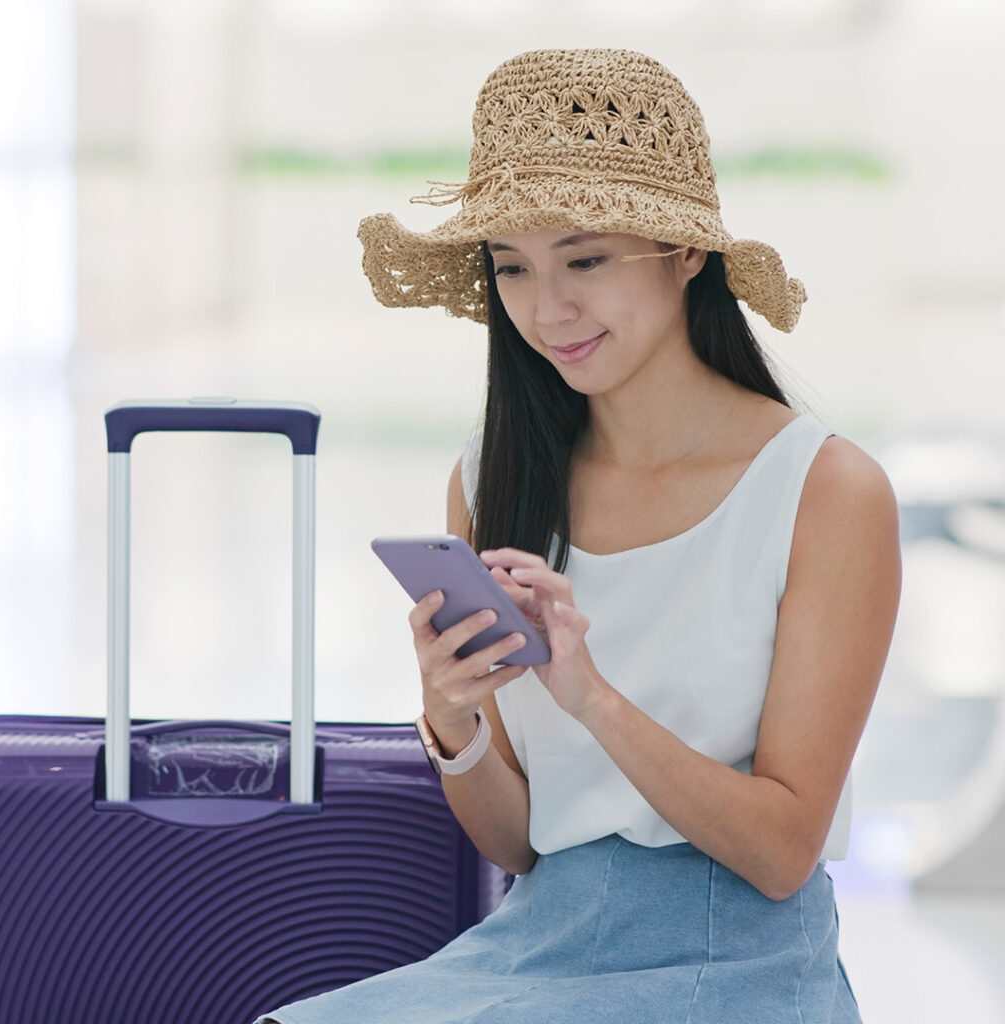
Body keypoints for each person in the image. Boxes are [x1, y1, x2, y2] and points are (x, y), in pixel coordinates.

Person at [257, 48, 899, 1023]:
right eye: (511, 267)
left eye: (585, 259)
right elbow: (518, 847)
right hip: (535, 943)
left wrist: (589, 696)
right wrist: (453, 719)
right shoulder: (491, 481)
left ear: (686, 252)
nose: (546, 309)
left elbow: (781, 851)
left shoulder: (824, 491)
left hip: (740, 964)